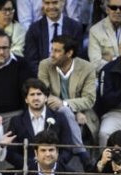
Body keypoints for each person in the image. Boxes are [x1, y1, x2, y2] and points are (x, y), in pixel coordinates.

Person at [38, 34, 98, 167]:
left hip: (82, 113)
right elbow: (43, 93)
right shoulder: (45, 65)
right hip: (52, 110)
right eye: (52, 49)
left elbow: (89, 99)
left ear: (69, 53)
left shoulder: (87, 68)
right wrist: (69, 109)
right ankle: (82, 152)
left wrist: (66, 104)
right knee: (64, 111)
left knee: (65, 109)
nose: (52, 54)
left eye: (57, 51)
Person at [6, 77, 73, 170]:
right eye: (32, 94)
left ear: (45, 98)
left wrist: (53, 164)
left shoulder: (59, 118)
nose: (36, 98)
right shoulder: (16, 121)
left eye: (39, 94)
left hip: (55, 170)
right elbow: (11, 152)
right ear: (26, 99)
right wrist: (29, 165)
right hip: (26, 172)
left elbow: (68, 148)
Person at [8, 129, 83, 175]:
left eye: (51, 150)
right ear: (36, 153)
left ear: (57, 152)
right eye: (43, 150)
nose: (47, 154)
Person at [24, 0, 84, 75]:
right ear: (42, 4)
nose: (51, 7)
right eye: (47, 3)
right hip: (42, 78)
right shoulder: (34, 29)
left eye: (55, 2)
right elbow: (31, 61)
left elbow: (77, 57)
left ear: (63, 2)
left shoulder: (74, 27)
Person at [17, 0, 82, 30]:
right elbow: (25, 24)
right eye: (47, 3)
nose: (51, 6)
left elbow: (73, 18)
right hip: (37, 33)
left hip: (63, 28)